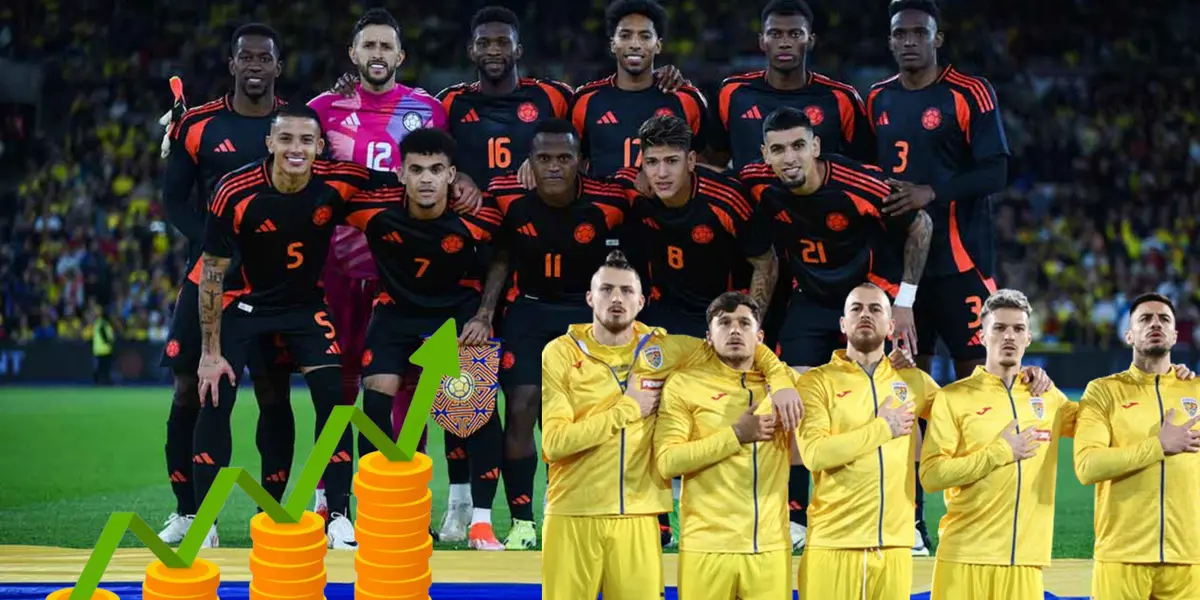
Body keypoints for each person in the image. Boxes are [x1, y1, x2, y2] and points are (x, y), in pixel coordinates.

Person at [193, 104, 401, 550]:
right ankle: (204, 520)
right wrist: (210, 354)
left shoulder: (338, 181)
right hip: (246, 306)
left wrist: (457, 183)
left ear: (319, 147)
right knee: (215, 394)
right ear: (269, 143)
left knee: (334, 402)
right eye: (285, 139)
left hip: (306, 307)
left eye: (306, 141)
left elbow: (400, 184)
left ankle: (340, 516)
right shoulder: (235, 189)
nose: (295, 149)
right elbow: (211, 273)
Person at [307, 7, 482, 523]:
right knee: (335, 382)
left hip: (407, 267)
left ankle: (406, 497)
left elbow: (445, 170)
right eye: (369, 46)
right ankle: (329, 494)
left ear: (400, 56)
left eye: (387, 46)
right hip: (339, 263)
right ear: (353, 54)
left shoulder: (428, 109)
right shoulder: (323, 107)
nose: (378, 54)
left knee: (411, 385)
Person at [540, 251, 800, 599]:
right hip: (572, 511)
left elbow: (743, 345)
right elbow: (554, 444)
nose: (616, 298)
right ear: (590, 297)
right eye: (606, 289)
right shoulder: (560, 352)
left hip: (640, 514)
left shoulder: (665, 348)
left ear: (641, 301)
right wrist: (627, 408)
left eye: (626, 291)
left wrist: (781, 381)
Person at [739, 106, 932, 550]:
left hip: (868, 298)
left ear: (816, 147)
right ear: (764, 154)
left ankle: (914, 523)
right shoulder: (755, 182)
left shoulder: (857, 183)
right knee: (796, 402)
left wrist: (903, 302)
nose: (790, 158)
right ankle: (797, 519)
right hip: (810, 299)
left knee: (894, 398)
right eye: (779, 149)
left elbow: (920, 224)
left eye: (799, 146)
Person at [155, 23, 294, 547]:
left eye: (265, 58)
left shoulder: (293, 126)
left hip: (275, 284)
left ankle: (277, 517)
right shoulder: (198, 125)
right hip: (206, 280)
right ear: (232, 65)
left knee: (273, 393)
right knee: (191, 387)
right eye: (246, 58)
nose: (255, 66)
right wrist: (217, 246)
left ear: (277, 68)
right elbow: (174, 202)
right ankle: (192, 515)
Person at [342, 127, 507, 550]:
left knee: (474, 408)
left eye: (436, 170)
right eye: (416, 170)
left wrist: (485, 314)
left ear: (452, 174)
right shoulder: (371, 207)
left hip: (455, 315)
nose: (426, 179)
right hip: (395, 312)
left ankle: (482, 524)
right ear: (400, 174)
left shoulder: (478, 215)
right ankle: (380, 513)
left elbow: (503, 255)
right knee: (376, 400)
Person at [477, 119, 634, 549]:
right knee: (522, 408)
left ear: (580, 162)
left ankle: (579, 513)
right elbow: (501, 255)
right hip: (527, 310)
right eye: (543, 158)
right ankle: (523, 520)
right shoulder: (508, 198)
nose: (553, 167)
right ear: (529, 162)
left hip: (584, 320)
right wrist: (486, 312)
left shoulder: (610, 202)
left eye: (563, 158)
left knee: (582, 419)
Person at [867, 0, 1010, 377]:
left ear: (938, 40)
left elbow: (996, 172)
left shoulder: (969, 92)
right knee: (907, 379)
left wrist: (930, 192)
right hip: (899, 267)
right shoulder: (876, 98)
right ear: (890, 42)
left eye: (919, 33)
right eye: (901, 34)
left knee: (979, 376)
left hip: (959, 260)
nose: (909, 41)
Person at [920, 289, 1076, 599]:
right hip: (963, 559)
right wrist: (1001, 452)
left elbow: (1104, 419)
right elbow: (932, 476)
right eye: (999, 328)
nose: (1009, 336)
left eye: (1018, 329)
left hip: (1025, 564)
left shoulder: (1047, 397)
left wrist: (1173, 379)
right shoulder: (954, 398)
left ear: (1028, 338)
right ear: (981, 336)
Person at [794, 283, 939, 599]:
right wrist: (883, 428)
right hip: (833, 543)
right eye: (856, 308)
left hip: (894, 548)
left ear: (890, 326)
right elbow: (815, 454)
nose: (865, 314)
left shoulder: (912, 380)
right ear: (843, 324)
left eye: (875, 309)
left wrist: (1027, 382)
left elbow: (965, 415)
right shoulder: (816, 382)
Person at [654, 292, 793, 599]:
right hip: (706, 547)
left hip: (769, 549)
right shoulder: (684, 384)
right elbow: (667, 462)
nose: (734, 330)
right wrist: (735, 435)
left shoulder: (784, 387)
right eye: (724, 323)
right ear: (708, 336)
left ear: (759, 336)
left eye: (744, 323)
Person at [1075, 292, 1200, 600]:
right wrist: (1158, 446)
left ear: (1174, 334)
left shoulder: (1196, 389)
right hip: (1121, 556)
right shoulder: (1103, 391)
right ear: (1128, 334)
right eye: (1145, 318)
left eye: (1164, 319)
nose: (1155, 323)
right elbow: (1087, 467)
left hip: (1189, 559)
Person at [611, 114, 779, 336]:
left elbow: (766, 263)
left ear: (691, 161)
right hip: (661, 311)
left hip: (719, 313)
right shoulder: (630, 189)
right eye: (652, 162)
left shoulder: (726, 199)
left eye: (672, 161)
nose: (661, 174)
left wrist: (750, 325)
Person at [711, 0, 872, 170]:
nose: (784, 43)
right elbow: (713, 162)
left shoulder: (841, 98)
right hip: (747, 196)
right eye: (775, 34)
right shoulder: (732, 93)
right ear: (762, 41)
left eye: (795, 34)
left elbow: (865, 166)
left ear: (810, 41)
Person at [561, 0, 710, 177]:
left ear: (658, 45)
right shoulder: (585, 100)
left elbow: (702, 163)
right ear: (613, 45)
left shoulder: (686, 100)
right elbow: (572, 162)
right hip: (605, 204)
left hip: (664, 205)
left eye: (645, 36)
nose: (635, 44)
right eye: (625, 35)